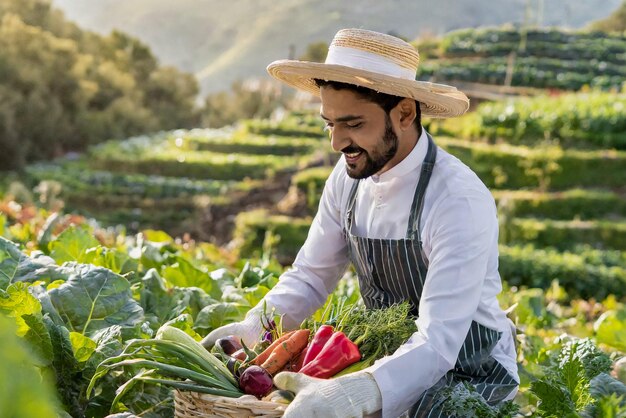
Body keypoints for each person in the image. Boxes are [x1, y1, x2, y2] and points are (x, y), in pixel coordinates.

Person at [202, 28, 519, 418]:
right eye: (329, 124)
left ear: (404, 113)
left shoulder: (456, 200)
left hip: (471, 371)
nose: (336, 142)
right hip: (388, 359)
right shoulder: (348, 177)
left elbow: (439, 341)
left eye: (353, 124)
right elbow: (311, 276)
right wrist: (256, 327)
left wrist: (357, 394)